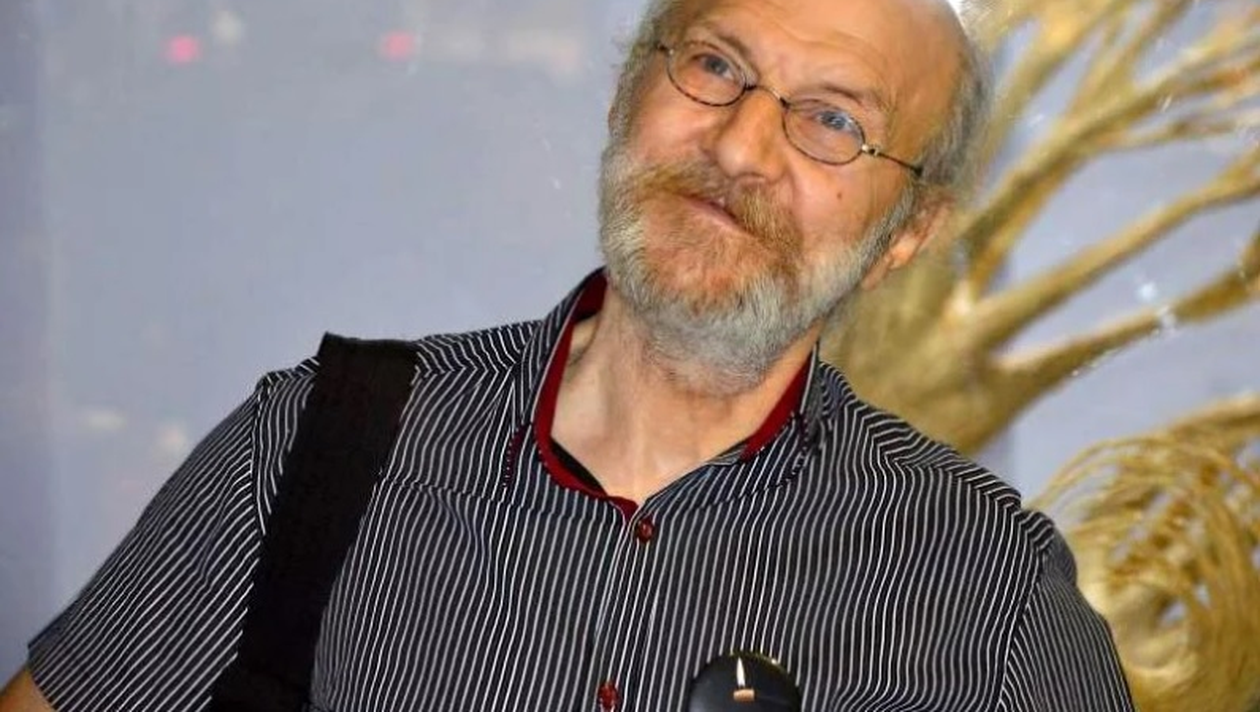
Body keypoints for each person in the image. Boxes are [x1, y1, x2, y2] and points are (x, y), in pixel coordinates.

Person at [1, 0, 1137, 709]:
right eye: (715, 64)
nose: (742, 143)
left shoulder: (991, 597)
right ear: (628, 90)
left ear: (909, 235)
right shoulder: (318, 447)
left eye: (834, 119)